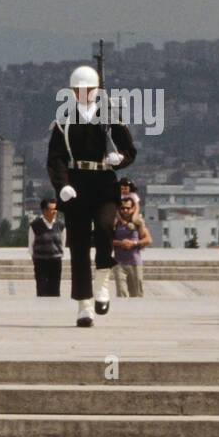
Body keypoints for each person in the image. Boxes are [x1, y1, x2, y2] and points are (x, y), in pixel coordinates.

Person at [46, 65, 136, 326]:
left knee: (107, 227)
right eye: (79, 89)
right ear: (73, 91)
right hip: (76, 186)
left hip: (104, 183)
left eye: (89, 89)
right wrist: (62, 184)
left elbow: (129, 150)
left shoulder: (110, 118)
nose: (84, 93)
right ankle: (84, 304)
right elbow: (55, 158)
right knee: (79, 245)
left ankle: (102, 282)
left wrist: (119, 159)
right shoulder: (64, 122)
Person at [112, 198, 151, 296]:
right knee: (121, 292)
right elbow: (107, 240)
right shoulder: (116, 223)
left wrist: (133, 243)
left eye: (128, 208)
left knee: (136, 294)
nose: (125, 210)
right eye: (122, 208)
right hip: (119, 263)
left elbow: (148, 239)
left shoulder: (138, 222)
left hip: (134, 262)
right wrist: (121, 243)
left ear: (133, 209)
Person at [28, 197, 65, 297]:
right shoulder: (35, 225)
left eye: (55, 209)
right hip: (40, 261)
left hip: (56, 261)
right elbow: (31, 244)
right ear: (44, 210)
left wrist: (60, 254)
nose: (55, 212)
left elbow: (63, 242)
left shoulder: (60, 225)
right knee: (42, 288)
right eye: (52, 209)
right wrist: (34, 257)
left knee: (55, 288)